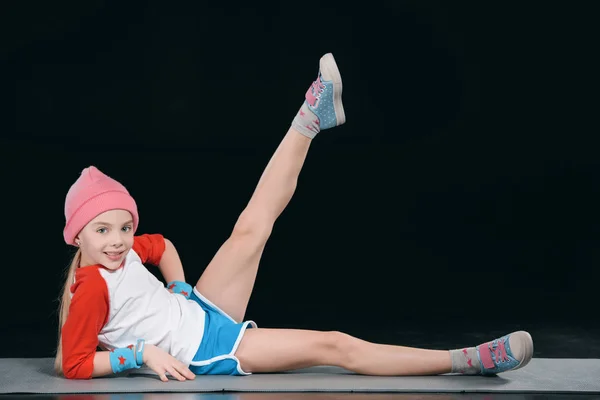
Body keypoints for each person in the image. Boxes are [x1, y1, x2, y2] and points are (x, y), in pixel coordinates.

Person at [55, 53, 534, 381]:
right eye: (102, 230)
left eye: (124, 227)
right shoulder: (93, 286)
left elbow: (163, 247)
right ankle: (466, 361)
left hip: (198, 311)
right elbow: (72, 365)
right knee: (334, 346)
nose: (118, 241)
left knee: (251, 225)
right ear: (77, 237)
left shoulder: (123, 255)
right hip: (205, 351)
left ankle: (311, 116)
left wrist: (179, 287)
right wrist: (142, 354)